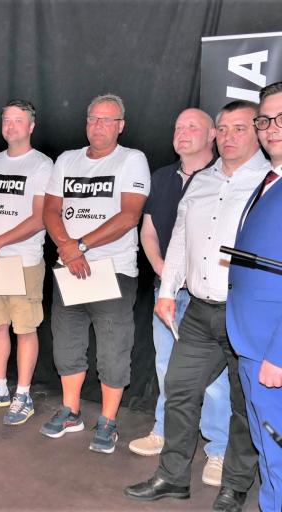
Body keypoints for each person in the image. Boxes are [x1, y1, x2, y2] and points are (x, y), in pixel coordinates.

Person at [125, 100, 266, 511]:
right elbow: (181, 241)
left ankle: (234, 487)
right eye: (223, 128)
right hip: (200, 311)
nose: (228, 136)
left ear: (257, 131)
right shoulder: (202, 182)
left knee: (243, 405)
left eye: (239, 128)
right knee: (180, 389)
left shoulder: (268, 183)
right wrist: (167, 291)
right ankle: (172, 477)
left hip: (243, 312)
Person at [41, 94, 150, 453]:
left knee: (112, 350)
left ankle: (108, 420)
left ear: (121, 125)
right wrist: (67, 247)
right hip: (69, 267)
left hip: (112, 270)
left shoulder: (132, 160)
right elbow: (52, 210)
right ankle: (71, 411)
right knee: (67, 344)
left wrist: (80, 246)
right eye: (92, 119)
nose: (98, 126)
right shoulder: (67, 160)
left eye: (107, 120)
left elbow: (129, 216)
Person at [131, 107, 231, 486]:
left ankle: (218, 451)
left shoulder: (226, 180)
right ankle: (164, 431)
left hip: (209, 298)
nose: (182, 132)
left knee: (214, 380)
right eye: (177, 127)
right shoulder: (160, 178)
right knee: (166, 368)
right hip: (168, 293)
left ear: (212, 137)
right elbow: (150, 232)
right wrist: (164, 273)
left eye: (193, 126)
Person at [0, 100, 52, 425]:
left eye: (19, 121)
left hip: (24, 262)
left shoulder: (42, 165)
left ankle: (23, 395)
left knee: (25, 328)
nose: (11, 126)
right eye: (7, 120)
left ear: (31, 126)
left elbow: (40, 217)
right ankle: (0, 388)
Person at [227, 81, 282, 512]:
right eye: (265, 119)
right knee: (269, 450)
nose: (271, 128)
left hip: (272, 350)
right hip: (251, 342)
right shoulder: (269, 180)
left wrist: (279, 354)